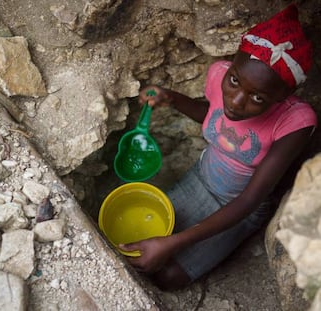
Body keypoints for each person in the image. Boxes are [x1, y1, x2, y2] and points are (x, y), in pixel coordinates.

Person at [118, 4, 318, 290]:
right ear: (231, 64)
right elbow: (214, 118)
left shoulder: (295, 122)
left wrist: (172, 243)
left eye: (258, 98)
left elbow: (249, 200)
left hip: (239, 206)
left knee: (167, 277)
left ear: (284, 96)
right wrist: (171, 98)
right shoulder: (218, 74)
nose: (235, 102)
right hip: (200, 178)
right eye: (235, 81)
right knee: (133, 237)